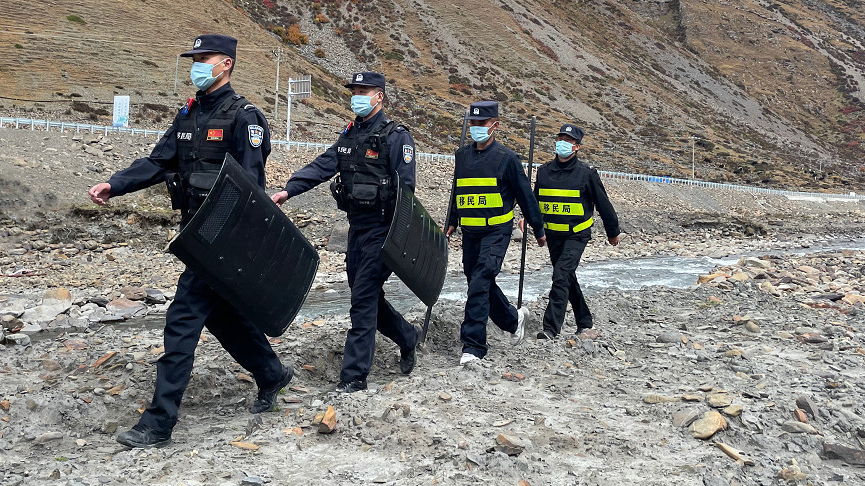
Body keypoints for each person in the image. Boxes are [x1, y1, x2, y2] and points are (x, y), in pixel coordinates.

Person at [88, 34, 292, 448]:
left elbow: (249, 186)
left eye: (205, 58)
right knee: (221, 317)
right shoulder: (189, 114)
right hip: (195, 234)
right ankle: (272, 374)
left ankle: (158, 423)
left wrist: (228, 241)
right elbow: (158, 161)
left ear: (226, 64)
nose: (197, 65)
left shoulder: (245, 117)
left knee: (182, 321)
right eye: (194, 58)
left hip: (223, 240)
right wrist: (116, 184)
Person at [271, 72, 419, 392]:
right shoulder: (350, 134)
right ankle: (407, 336)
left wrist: (400, 241)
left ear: (379, 96)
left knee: (362, 298)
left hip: (384, 231)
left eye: (363, 91)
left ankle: (354, 377)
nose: (357, 96)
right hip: (357, 230)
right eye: (354, 91)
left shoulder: (397, 137)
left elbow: (406, 192)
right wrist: (288, 190)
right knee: (366, 296)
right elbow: (324, 165)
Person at [443, 100, 545, 365]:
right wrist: (452, 221)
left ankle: (474, 346)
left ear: (495, 125)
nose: (476, 127)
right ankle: (513, 320)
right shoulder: (462, 156)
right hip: (470, 232)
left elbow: (525, 196)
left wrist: (538, 228)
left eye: (482, 123)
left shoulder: (507, 158)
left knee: (481, 280)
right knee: (477, 281)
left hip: (497, 232)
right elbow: (458, 191)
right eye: (473, 123)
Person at [532, 123, 622, 339]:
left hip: (577, 235)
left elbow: (603, 204)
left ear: (577, 146)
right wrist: (533, 225)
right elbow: (535, 202)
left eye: (568, 140)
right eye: (560, 139)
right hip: (553, 235)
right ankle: (584, 321)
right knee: (567, 277)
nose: (563, 143)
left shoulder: (586, 174)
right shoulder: (543, 172)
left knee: (560, 275)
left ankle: (550, 328)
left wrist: (613, 231)